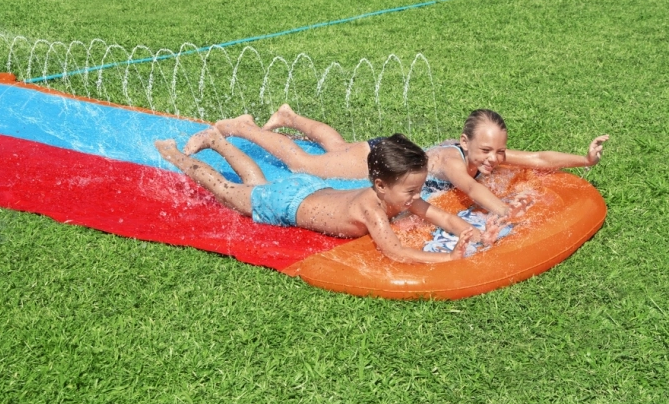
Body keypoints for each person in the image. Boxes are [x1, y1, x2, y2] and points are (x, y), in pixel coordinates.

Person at [156, 129, 501, 264]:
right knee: (226, 190)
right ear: (381, 186)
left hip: (309, 189)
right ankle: (174, 154)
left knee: (254, 182)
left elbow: (442, 217)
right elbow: (396, 252)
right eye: (411, 190)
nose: (417, 196)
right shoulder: (371, 208)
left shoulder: (401, 197)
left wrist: (472, 234)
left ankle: (217, 142)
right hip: (288, 203)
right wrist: (449, 259)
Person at [213, 105, 609, 217]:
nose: (495, 158)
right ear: (465, 142)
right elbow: (472, 190)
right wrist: (507, 212)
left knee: (335, 150)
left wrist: (585, 159)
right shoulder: (454, 162)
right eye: (486, 151)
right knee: (306, 165)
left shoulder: (490, 156)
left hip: (388, 151)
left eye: (500, 151)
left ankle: (289, 116)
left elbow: (538, 157)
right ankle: (245, 128)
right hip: (376, 157)